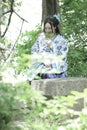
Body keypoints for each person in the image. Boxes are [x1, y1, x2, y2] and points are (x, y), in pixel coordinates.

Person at [27, 14, 68, 83]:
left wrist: (53, 46)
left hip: (55, 64)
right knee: (35, 72)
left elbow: (62, 55)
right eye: (46, 28)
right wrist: (43, 59)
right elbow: (34, 50)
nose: (47, 30)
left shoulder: (61, 40)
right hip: (42, 62)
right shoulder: (41, 38)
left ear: (54, 27)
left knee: (49, 74)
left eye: (49, 28)